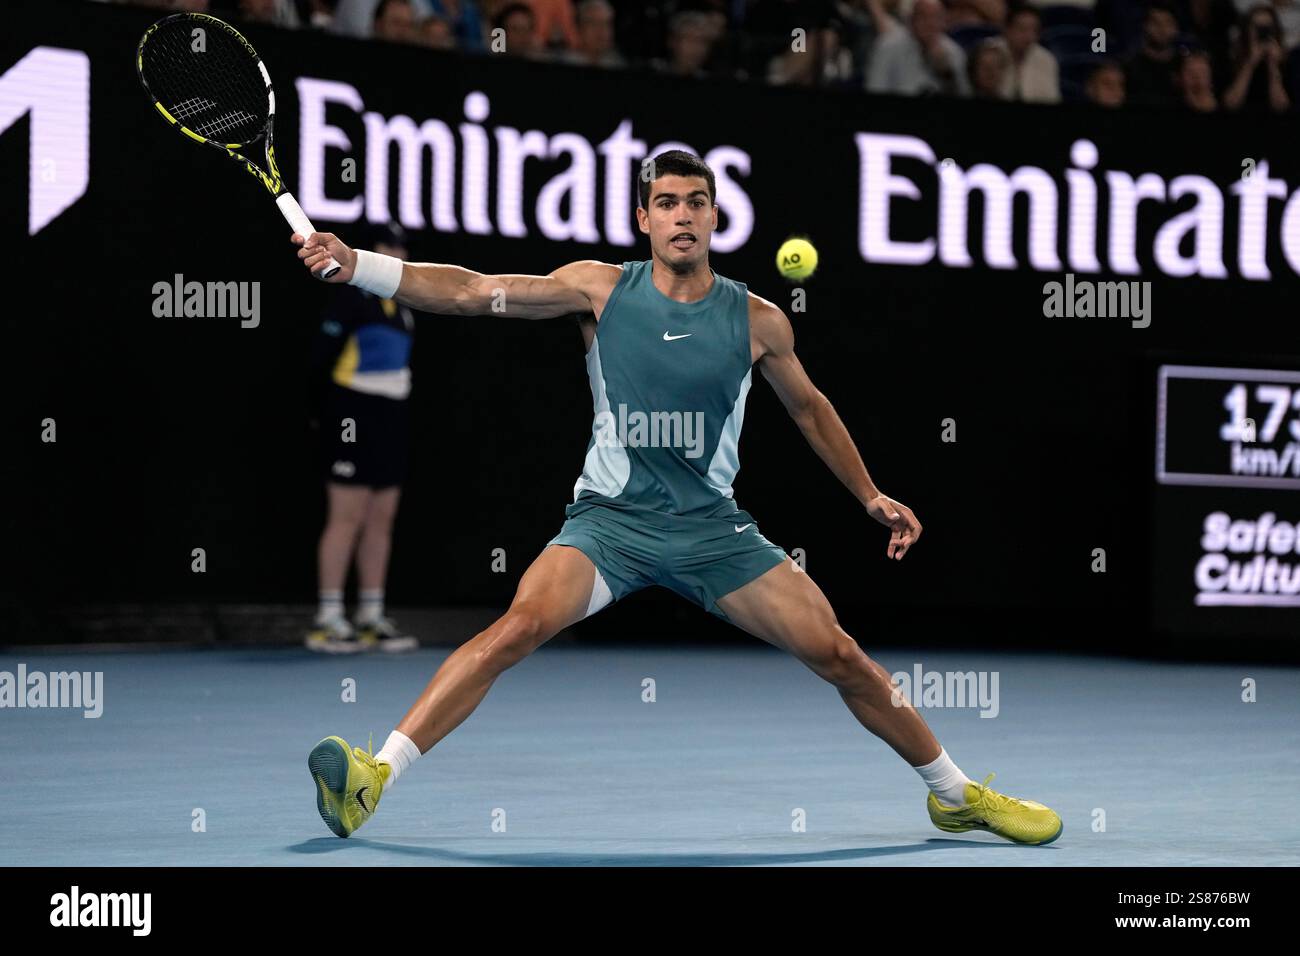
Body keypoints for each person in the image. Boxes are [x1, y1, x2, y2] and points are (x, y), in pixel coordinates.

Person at [293, 150, 1063, 846]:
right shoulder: (597, 289)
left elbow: (809, 408)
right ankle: (374, 777)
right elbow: (471, 292)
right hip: (609, 524)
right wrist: (358, 263)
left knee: (841, 655)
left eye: (696, 201)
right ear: (644, 219)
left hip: (713, 531)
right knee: (518, 627)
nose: (682, 214)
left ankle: (954, 794)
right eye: (666, 202)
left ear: (715, 216)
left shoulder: (759, 318)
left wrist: (868, 495)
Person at [305, 223, 419, 655]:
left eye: (400, 247)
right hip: (350, 410)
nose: (396, 253)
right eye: (387, 246)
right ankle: (329, 617)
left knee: (381, 517)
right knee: (346, 516)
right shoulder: (352, 297)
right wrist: (322, 415)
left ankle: (370, 616)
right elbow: (320, 360)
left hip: (392, 415)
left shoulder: (405, 306)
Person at [867, 0, 971, 96]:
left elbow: (963, 94)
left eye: (936, 17)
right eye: (923, 17)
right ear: (911, 20)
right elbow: (875, 88)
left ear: (944, 22)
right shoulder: (888, 46)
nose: (930, 23)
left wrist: (947, 74)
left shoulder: (954, 52)